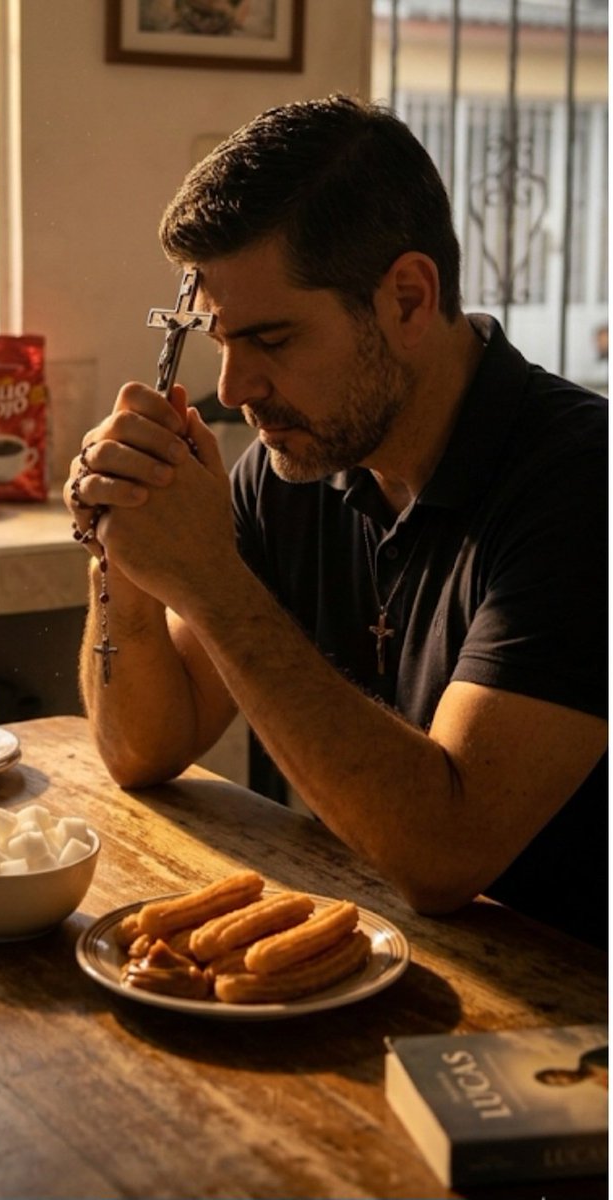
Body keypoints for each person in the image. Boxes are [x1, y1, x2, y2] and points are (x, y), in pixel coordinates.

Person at [64, 95, 607, 948]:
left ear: (408, 299)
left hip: (565, 996)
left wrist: (210, 581)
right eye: (221, 341)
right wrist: (127, 559)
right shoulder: (299, 464)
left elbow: (445, 854)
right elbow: (141, 750)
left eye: (274, 340)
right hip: (358, 958)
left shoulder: (583, 483)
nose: (234, 389)